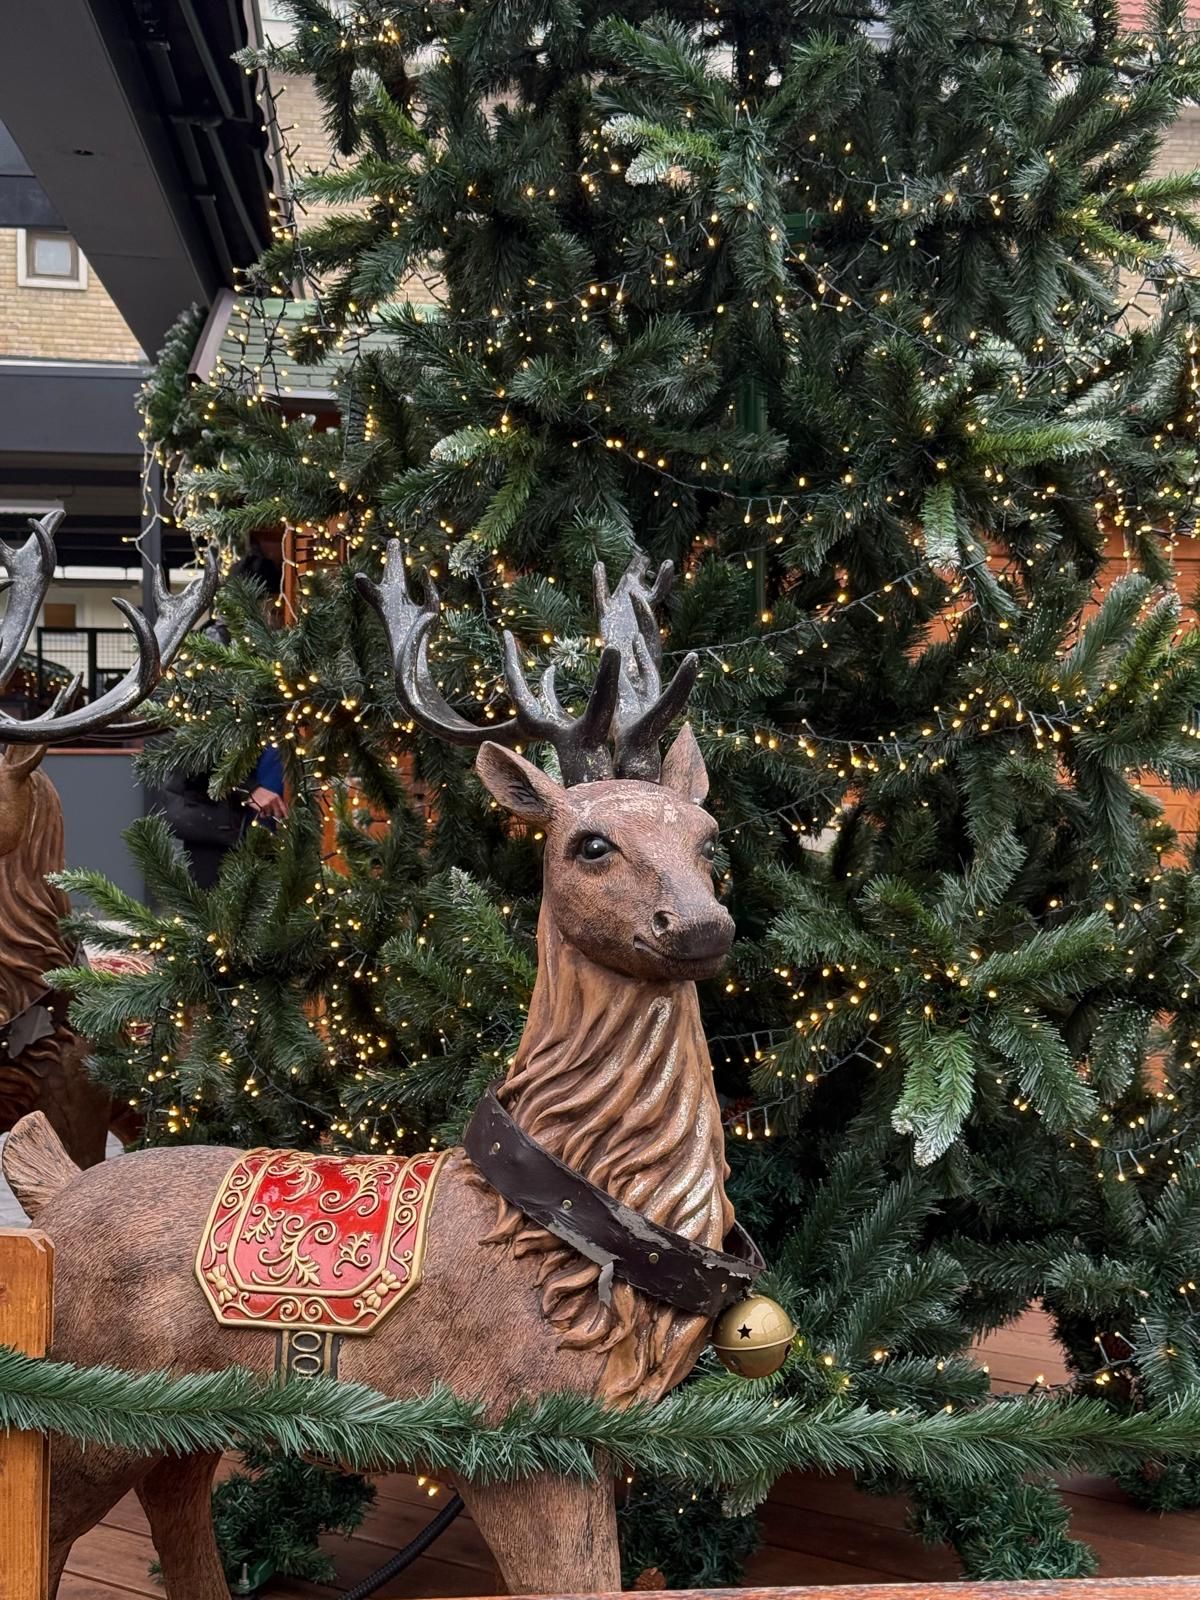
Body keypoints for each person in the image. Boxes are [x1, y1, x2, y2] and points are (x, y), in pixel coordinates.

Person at [158, 548, 288, 887]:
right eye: (270, 603)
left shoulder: (262, 654)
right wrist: (250, 789)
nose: (273, 613)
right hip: (217, 816)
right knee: (217, 916)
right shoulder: (208, 656)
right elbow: (194, 746)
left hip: (252, 816)